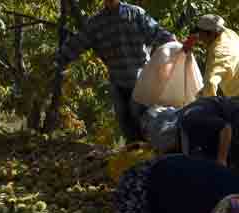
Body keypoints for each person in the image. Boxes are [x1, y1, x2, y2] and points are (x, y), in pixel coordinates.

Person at [56, 0, 176, 142]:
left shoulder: (135, 14)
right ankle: (136, 159)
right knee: (128, 129)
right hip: (118, 83)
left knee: (146, 125)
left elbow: (159, 34)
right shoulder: (96, 23)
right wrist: (59, 59)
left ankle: (151, 159)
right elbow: (78, 43)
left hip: (141, 82)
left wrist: (177, 45)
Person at [183, 14, 239, 177]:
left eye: (202, 35)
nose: (200, 39)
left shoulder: (219, 53)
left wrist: (205, 108)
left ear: (211, 34)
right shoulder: (228, 33)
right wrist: (192, 41)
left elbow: (211, 83)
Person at [177, 96, 239, 176]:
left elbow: (226, 128)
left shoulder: (190, 120)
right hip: (215, 120)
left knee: (237, 163)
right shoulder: (184, 133)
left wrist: (221, 161)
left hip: (236, 119)